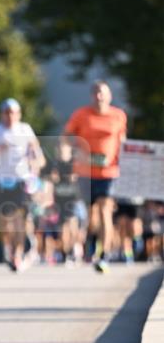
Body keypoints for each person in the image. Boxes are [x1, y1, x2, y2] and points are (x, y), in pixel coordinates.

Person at [64, 80, 127, 273]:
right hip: (85, 172)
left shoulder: (118, 116)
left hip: (109, 172)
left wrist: (123, 160)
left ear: (109, 96)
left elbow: (122, 141)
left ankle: (104, 255)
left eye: (103, 93)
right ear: (93, 96)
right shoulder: (81, 114)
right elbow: (66, 137)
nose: (100, 97)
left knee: (105, 211)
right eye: (97, 93)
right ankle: (93, 243)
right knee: (92, 217)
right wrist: (75, 154)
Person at [0, 99, 44, 271]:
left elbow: (36, 152)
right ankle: (9, 249)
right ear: (2, 114)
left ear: (19, 114)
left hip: (21, 180)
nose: (10, 116)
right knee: (5, 222)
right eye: (6, 112)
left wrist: (34, 162)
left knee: (20, 220)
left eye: (13, 112)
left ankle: (17, 255)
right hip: (1, 181)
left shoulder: (25, 129)